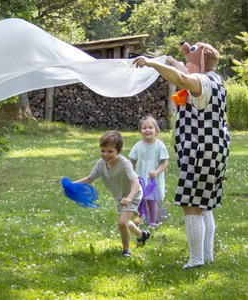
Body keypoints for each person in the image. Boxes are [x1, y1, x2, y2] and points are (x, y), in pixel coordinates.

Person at [133, 42, 230, 269]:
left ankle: (196, 259)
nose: (185, 66)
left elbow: (183, 79)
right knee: (204, 203)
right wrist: (168, 60)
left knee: (192, 204)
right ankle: (206, 256)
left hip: (200, 151)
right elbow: (185, 72)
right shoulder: (215, 79)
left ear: (200, 64)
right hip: (215, 150)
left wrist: (152, 63)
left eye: (189, 62)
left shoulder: (201, 82)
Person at [72, 130, 150, 258]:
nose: (105, 154)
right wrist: (72, 184)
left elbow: (135, 183)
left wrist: (130, 197)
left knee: (121, 223)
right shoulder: (100, 164)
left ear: (118, 151)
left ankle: (126, 250)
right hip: (120, 197)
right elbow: (89, 179)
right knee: (123, 222)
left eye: (110, 151)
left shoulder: (124, 164)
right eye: (103, 150)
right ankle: (142, 235)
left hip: (133, 195)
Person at [128, 116, 169, 228]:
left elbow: (164, 162)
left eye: (150, 127)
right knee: (139, 200)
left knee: (151, 201)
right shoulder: (138, 146)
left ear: (156, 130)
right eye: (144, 128)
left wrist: (157, 172)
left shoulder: (159, 146)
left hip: (153, 179)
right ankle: (140, 217)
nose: (147, 130)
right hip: (140, 178)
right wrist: (130, 173)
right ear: (140, 131)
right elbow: (131, 161)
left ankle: (152, 222)